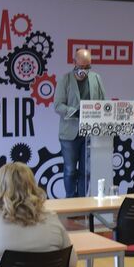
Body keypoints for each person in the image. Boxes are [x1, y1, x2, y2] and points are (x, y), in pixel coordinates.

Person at [53, 48, 105, 197]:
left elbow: (104, 103)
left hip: (90, 133)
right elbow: (58, 106)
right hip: (69, 134)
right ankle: (70, 201)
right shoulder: (65, 80)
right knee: (70, 170)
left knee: (86, 171)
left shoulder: (96, 79)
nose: (83, 70)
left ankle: (82, 202)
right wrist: (76, 112)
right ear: (74, 62)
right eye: (81, 66)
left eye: (87, 67)